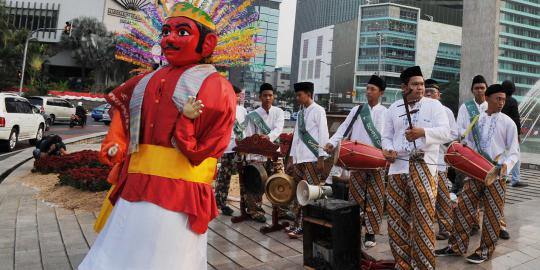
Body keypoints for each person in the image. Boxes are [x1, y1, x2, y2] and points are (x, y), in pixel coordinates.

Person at [79, 2, 237, 269]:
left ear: (207, 43)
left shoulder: (217, 87)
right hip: (136, 185)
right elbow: (122, 105)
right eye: (166, 32)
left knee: (165, 254)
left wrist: (186, 123)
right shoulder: (147, 79)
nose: (170, 39)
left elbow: (205, 150)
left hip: (178, 191)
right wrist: (115, 139)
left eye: (182, 32)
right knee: (121, 250)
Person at [435, 84, 519, 264]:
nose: (501, 102)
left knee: (492, 214)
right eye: (498, 98)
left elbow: (514, 151)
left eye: (504, 99)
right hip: (474, 173)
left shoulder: (508, 122)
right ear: (487, 98)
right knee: (463, 209)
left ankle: (485, 251)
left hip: (495, 174)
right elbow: (469, 145)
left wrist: (505, 166)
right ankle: (456, 246)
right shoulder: (476, 119)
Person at [382, 66, 451, 270]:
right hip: (397, 169)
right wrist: (387, 149)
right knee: (396, 220)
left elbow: (446, 132)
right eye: (415, 84)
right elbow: (386, 136)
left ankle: (424, 266)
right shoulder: (393, 108)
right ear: (404, 87)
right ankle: (403, 265)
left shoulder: (434, 106)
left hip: (423, 167)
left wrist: (423, 132)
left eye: (421, 84)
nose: (420, 88)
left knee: (423, 220)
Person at [324, 74, 387, 248]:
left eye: (372, 89)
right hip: (357, 159)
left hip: (377, 162)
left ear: (381, 92)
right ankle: (354, 229)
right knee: (355, 197)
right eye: (367, 88)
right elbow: (344, 128)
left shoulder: (386, 113)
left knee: (375, 197)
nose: (368, 92)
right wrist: (332, 142)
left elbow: (387, 137)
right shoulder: (358, 110)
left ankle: (371, 233)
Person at [238, 83, 285, 223]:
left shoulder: (279, 112)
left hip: (274, 153)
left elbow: (278, 129)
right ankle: (255, 211)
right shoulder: (252, 115)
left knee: (279, 181)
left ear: (273, 97)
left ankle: (281, 211)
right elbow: (248, 133)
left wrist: (268, 137)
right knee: (256, 182)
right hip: (257, 154)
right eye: (265, 95)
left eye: (270, 95)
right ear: (260, 97)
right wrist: (256, 142)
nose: (268, 98)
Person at [287, 81, 329, 239]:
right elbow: (296, 137)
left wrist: (321, 157)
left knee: (307, 193)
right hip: (300, 158)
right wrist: (292, 157)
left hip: (312, 157)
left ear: (309, 94)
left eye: (300, 95)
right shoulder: (300, 112)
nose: (298, 98)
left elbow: (323, 134)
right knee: (299, 193)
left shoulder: (319, 110)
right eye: (296, 95)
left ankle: (303, 226)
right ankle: (297, 223)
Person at [425, 78, 459, 241]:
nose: (429, 94)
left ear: (439, 95)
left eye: (432, 92)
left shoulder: (446, 111)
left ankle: (445, 228)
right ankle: (423, 227)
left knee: (442, 195)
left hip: (439, 159)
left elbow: (453, 134)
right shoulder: (419, 109)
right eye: (427, 92)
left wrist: (434, 137)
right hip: (421, 160)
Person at [215, 86, 247, 216]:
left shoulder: (243, 110)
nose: (238, 98)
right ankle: (220, 204)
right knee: (224, 177)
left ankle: (246, 205)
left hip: (241, 148)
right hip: (227, 148)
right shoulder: (222, 108)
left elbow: (245, 128)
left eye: (239, 95)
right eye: (236, 95)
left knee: (244, 176)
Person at [501, 80, 526, 188]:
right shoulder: (512, 101)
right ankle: (515, 180)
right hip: (510, 132)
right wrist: (518, 134)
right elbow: (516, 118)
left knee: (502, 155)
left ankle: (503, 177)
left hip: (500, 131)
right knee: (516, 155)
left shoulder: (499, 100)